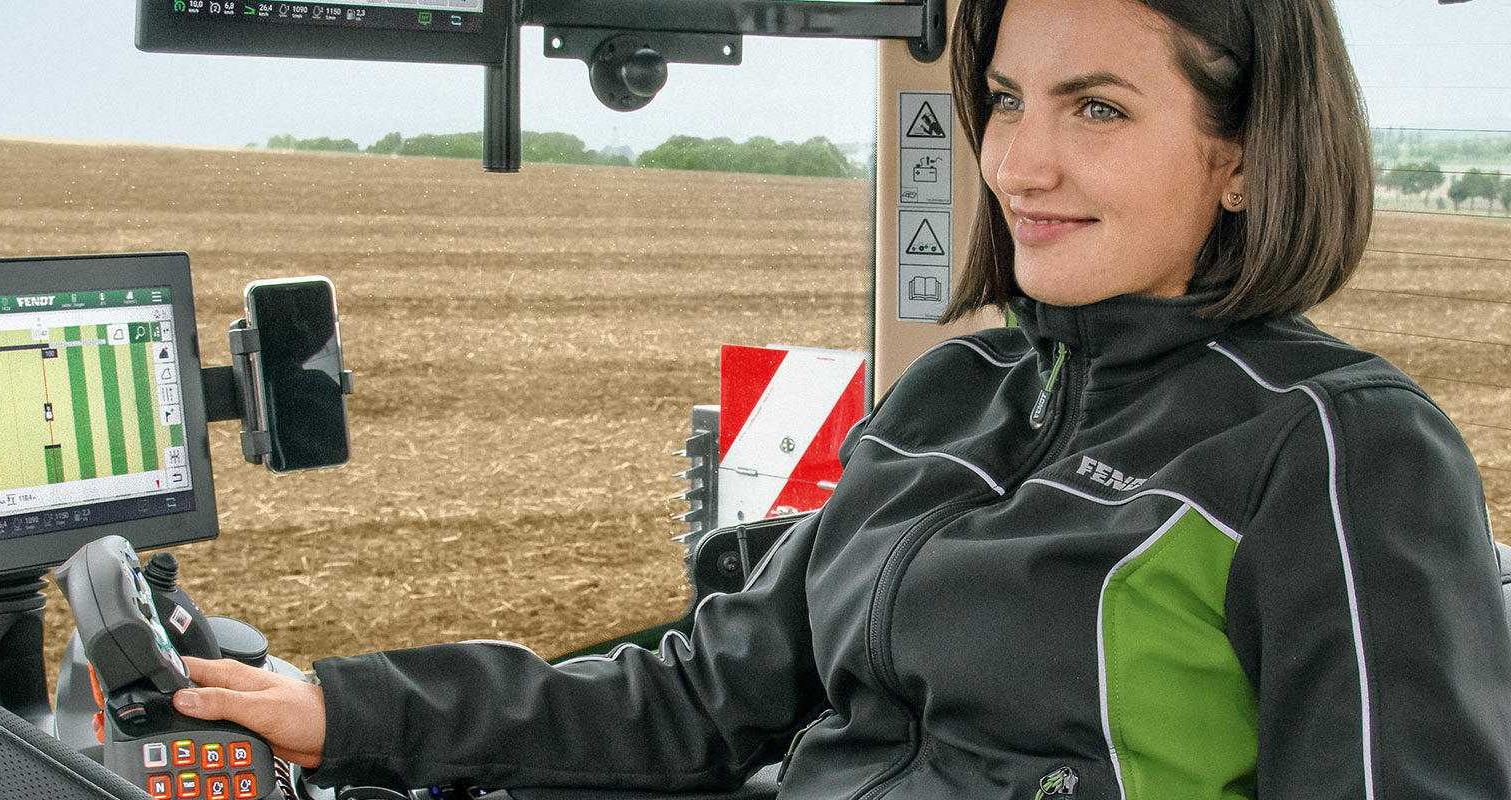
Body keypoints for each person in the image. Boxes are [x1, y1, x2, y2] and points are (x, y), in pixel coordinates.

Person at [167, 0, 1511, 796]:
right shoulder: (953, 396)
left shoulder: (1331, 445)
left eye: (1097, 109)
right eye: (1003, 101)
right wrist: (339, 711)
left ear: (1240, 154)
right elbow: (698, 698)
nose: (1023, 161)